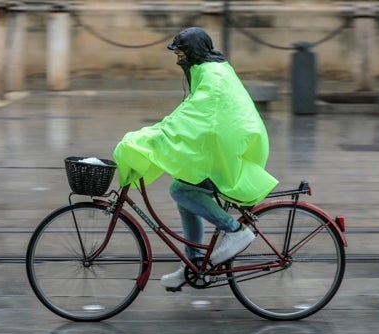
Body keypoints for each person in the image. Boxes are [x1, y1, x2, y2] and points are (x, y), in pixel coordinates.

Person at [113, 27, 278, 289]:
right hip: (226, 140)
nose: (178, 59)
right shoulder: (209, 68)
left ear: (193, 53)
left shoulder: (211, 74)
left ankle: (235, 232)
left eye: (181, 54)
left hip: (228, 146)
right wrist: (161, 131)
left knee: (181, 191)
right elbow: (192, 113)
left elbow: (194, 115)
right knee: (183, 186)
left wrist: (157, 135)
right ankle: (195, 263)